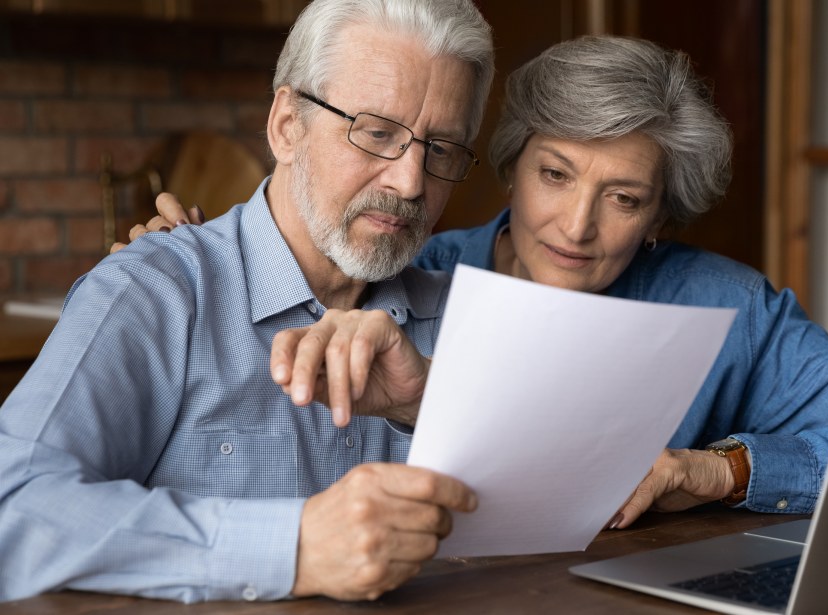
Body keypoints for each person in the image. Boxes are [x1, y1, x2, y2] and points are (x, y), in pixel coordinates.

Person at [133, 35, 828, 530]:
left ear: (659, 217)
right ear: (511, 165)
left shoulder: (727, 304)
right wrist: (203, 271)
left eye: (624, 198)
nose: (576, 225)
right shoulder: (409, 276)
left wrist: (718, 470)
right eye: (555, 175)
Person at [0, 0, 496, 604]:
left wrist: (432, 402)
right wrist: (296, 547)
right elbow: (15, 511)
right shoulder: (156, 292)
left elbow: (577, 498)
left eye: (441, 149)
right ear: (288, 125)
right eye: (376, 133)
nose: (411, 182)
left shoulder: (469, 317)